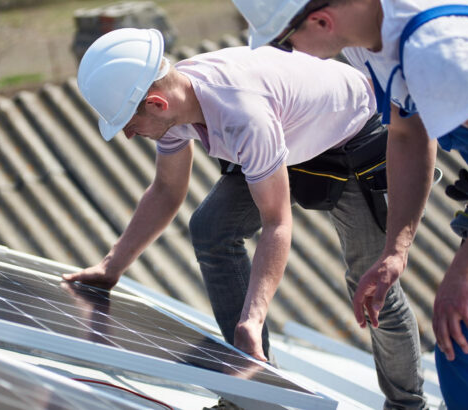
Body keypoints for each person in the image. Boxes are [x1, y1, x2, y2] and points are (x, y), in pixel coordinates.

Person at [62, 27, 426, 408]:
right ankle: (253, 394)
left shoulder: (240, 114)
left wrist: (252, 316)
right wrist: (110, 267)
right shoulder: (177, 104)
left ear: (156, 103)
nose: (129, 136)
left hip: (348, 132)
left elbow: (277, 223)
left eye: (129, 125)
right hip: (284, 133)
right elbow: (167, 191)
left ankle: (408, 405)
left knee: (370, 285)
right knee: (211, 228)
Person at [232, 0, 468, 407]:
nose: (292, 54)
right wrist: (395, 251)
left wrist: (465, 271)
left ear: (321, 21)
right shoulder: (373, 38)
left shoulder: (434, 47)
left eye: (286, 42)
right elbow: (407, 134)